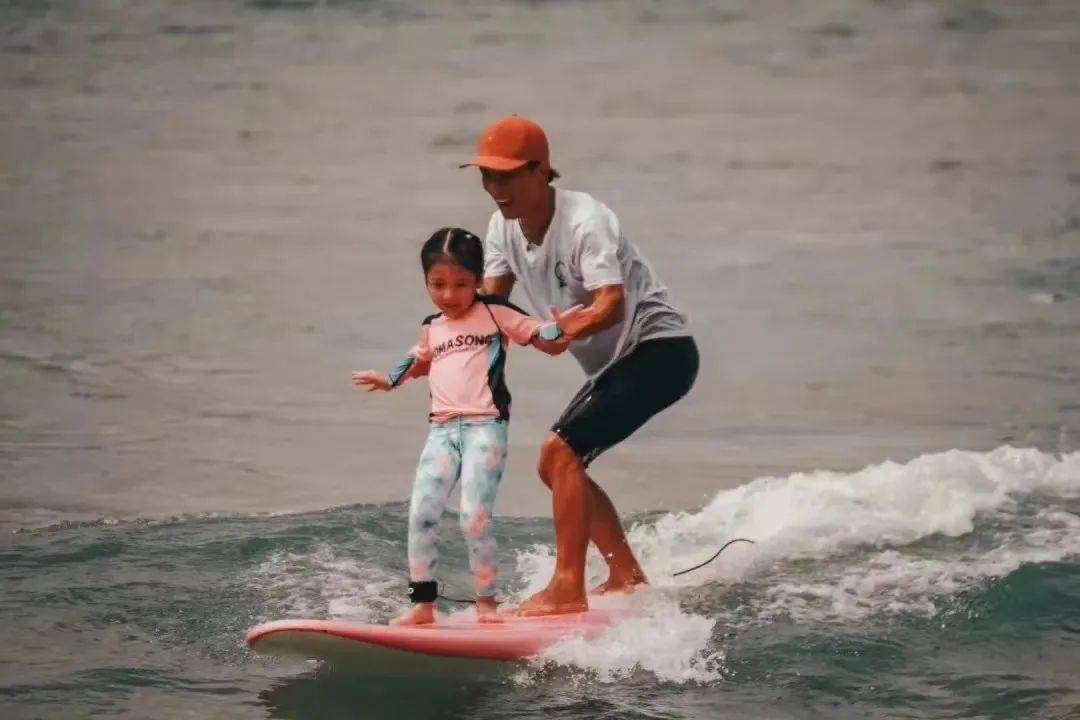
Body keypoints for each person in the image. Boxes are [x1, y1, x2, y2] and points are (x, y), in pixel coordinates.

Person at [461, 116, 699, 616]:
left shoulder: (585, 221)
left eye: (504, 176)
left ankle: (569, 588)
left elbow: (609, 301)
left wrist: (566, 330)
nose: (494, 188)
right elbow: (494, 304)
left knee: (561, 452)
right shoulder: (501, 228)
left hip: (662, 350)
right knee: (556, 464)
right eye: (486, 176)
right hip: (619, 362)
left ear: (538, 171)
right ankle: (626, 576)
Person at [351, 227, 572, 625]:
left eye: (460, 284)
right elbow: (417, 357)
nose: (448, 295)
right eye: (437, 284)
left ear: (478, 281)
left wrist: (563, 327)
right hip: (441, 432)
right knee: (422, 513)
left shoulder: (494, 312)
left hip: (485, 429)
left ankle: (487, 604)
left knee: (474, 517)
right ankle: (423, 606)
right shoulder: (432, 326)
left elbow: (540, 334)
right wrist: (389, 379)